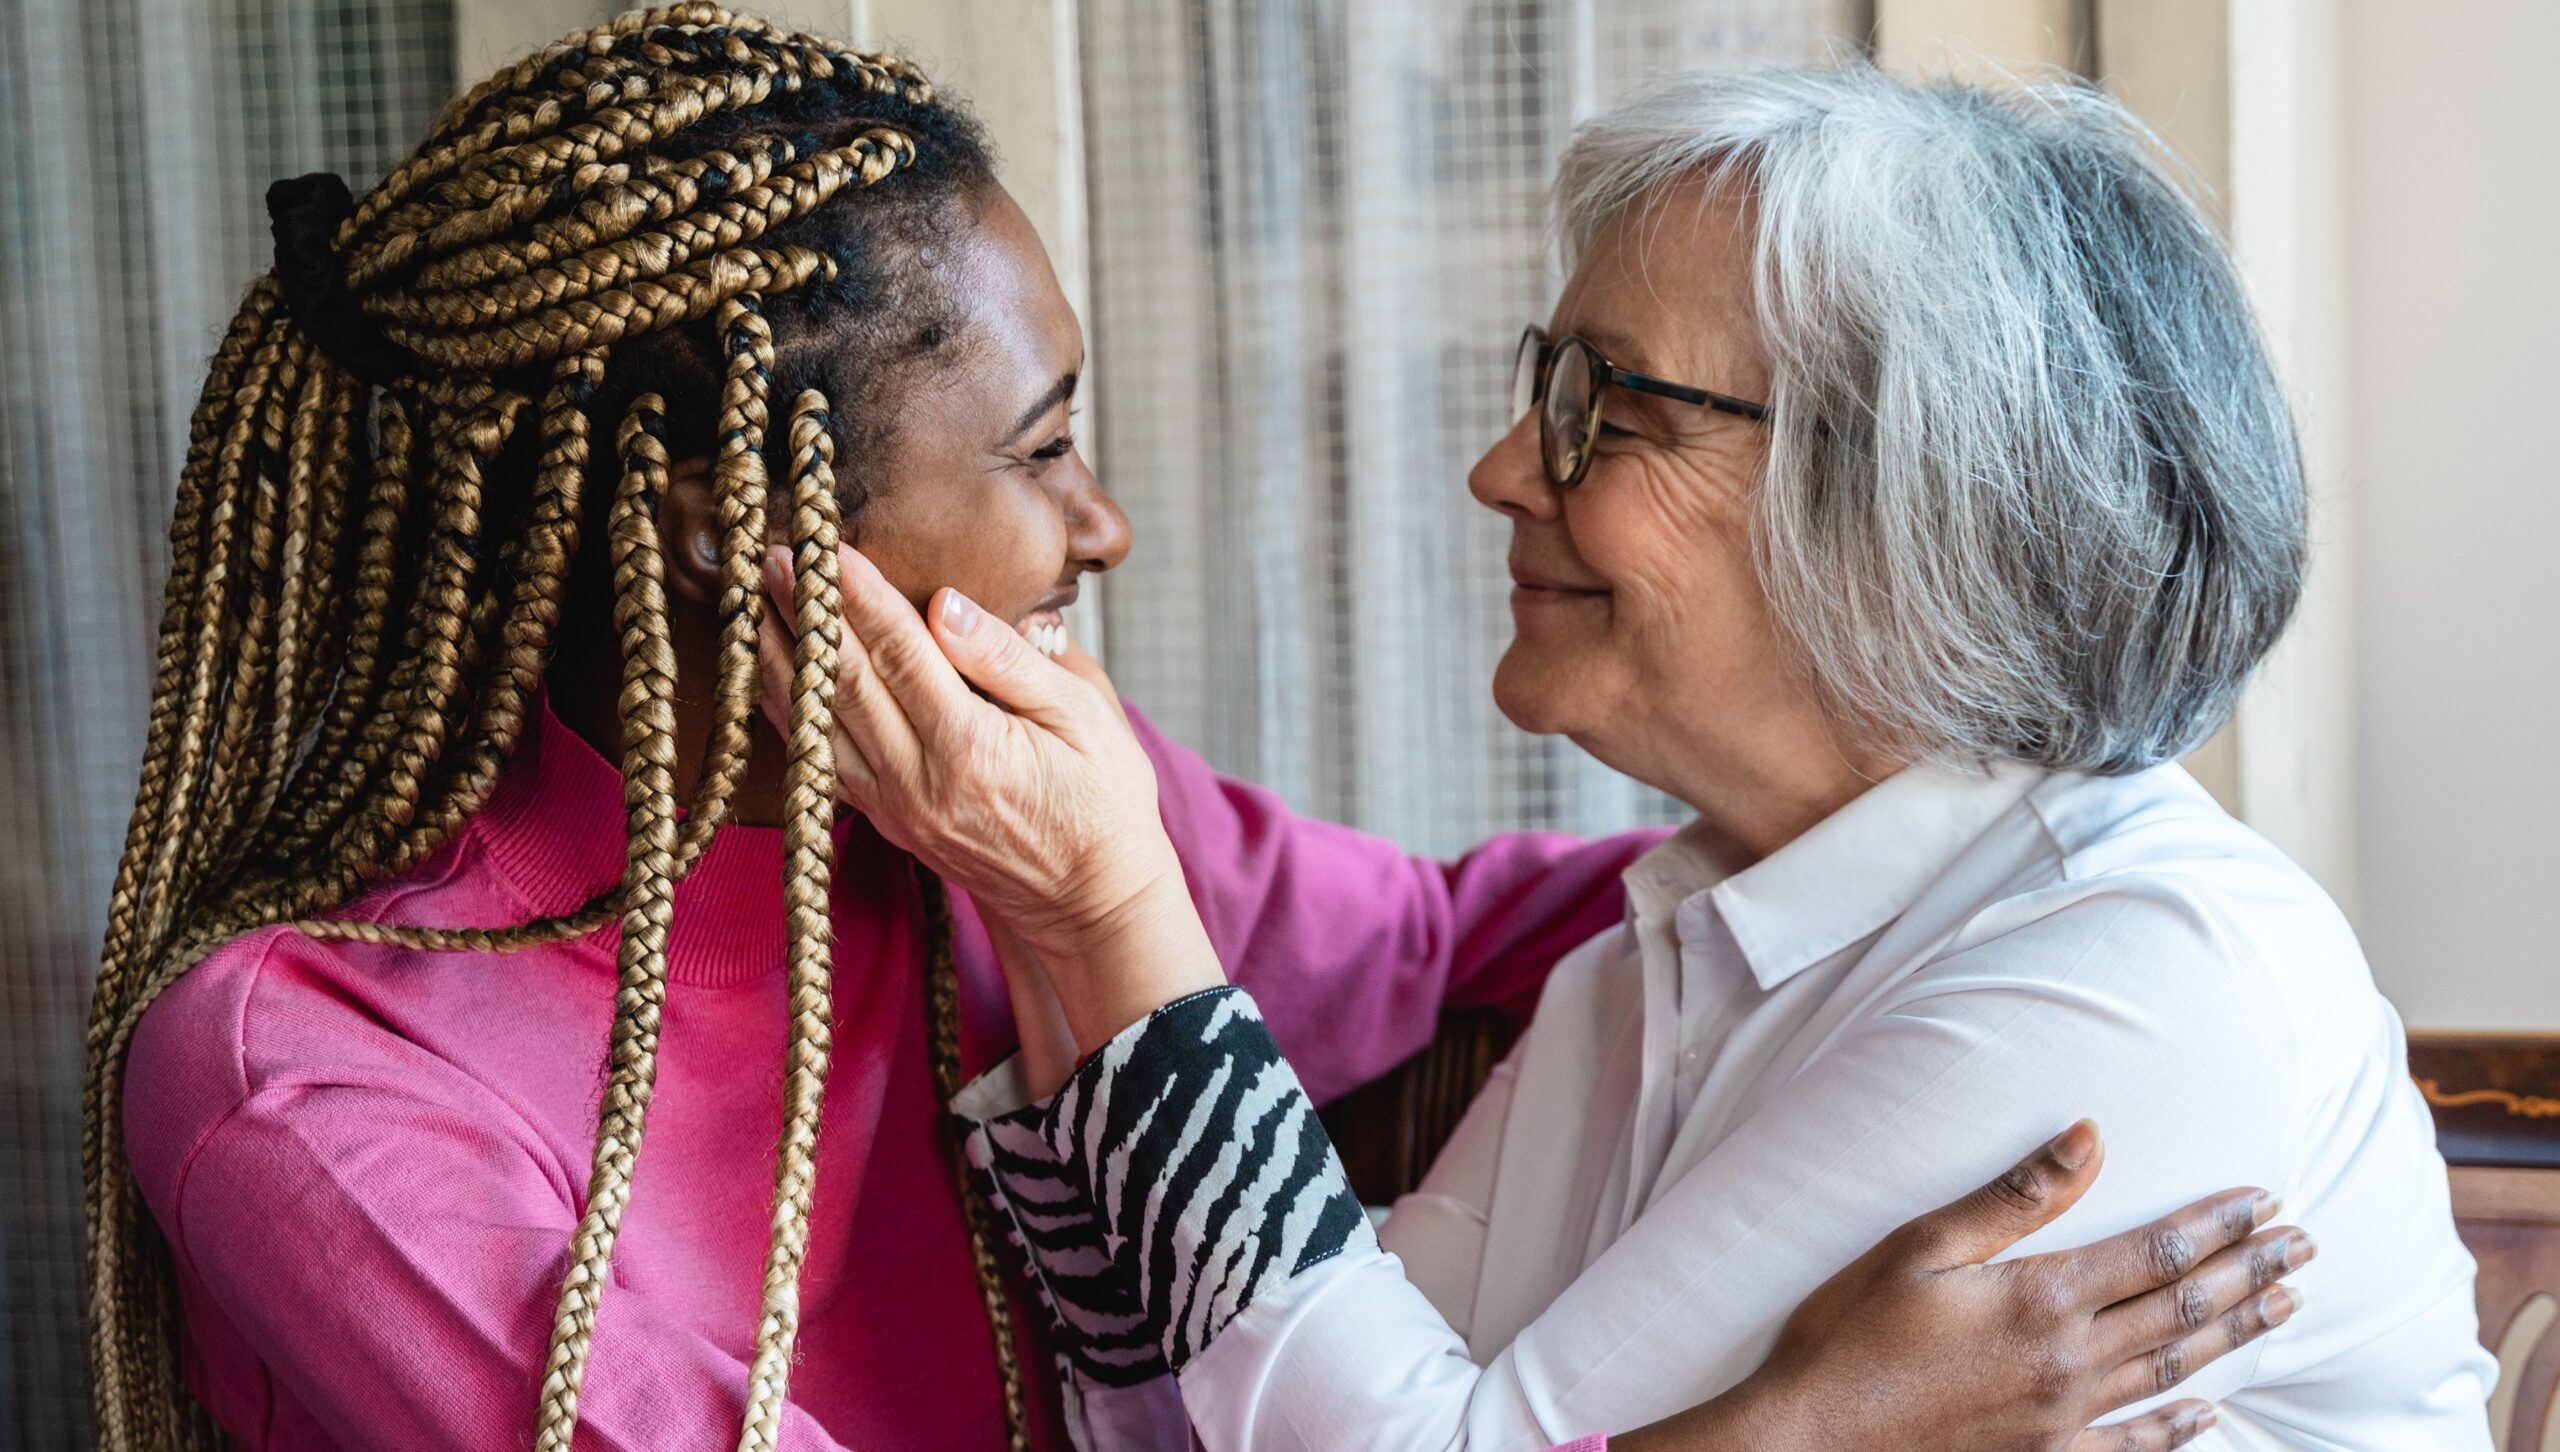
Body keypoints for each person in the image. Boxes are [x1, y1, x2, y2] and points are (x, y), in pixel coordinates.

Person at [92, 10, 2292, 1449]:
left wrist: (1892, 801)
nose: (1102, 525)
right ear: (717, 522)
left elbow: (1466, 935)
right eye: (1040, 451)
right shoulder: (301, 1066)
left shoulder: (1009, 818)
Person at [788, 63, 2496, 1452]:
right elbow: (1194, 1422)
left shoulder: (2137, 981)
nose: (1502, 470)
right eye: (1550, 384)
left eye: (1609, 406)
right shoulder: (1659, 956)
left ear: (1902, 508)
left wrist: (1109, 907)